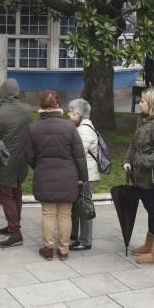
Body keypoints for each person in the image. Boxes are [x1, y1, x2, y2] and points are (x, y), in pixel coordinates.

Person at [26, 90, 88, 262]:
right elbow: (79, 154)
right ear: (58, 105)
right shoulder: (70, 126)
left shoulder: (33, 128)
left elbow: (29, 155)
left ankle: (47, 249)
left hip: (44, 175)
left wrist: (39, 166)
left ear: (41, 106)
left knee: (48, 213)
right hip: (68, 176)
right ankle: (63, 250)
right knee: (65, 215)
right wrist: (83, 177)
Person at [123, 87, 154, 265]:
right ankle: (149, 245)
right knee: (151, 212)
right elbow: (134, 144)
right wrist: (128, 160)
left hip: (152, 178)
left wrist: (143, 162)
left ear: (151, 104)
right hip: (141, 176)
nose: (139, 103)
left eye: (142, 101)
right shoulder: (145, 120)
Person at [0, 79, 34, 248]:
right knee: (17, 191)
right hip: (22, 159)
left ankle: (15, 233)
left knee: (6, 195)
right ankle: (13, 225)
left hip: (5, 161)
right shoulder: (27, 110)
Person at [66, 98, 99, 251]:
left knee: (84, 207)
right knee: (78, 205)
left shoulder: (83, 130)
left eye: (70, 112)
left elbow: (79, 155)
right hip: (86, 174)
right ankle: (74, 234)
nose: (68, 114)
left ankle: (85, 241)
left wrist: (80, 178)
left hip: (86, 176)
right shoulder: (86, 126)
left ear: (77, 113)